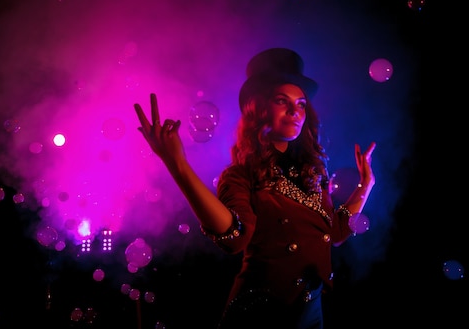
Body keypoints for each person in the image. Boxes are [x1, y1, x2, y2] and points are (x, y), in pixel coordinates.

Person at [134, 48, 376, 329]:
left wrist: (366, 184)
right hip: (261, 314)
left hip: (311, 310)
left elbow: (334, 232)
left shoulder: (312, 174)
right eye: (281, 101)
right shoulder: (240, 175)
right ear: (259, 108)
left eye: (300, 104)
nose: (294, 112)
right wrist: (178, 165)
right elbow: (234, 238)